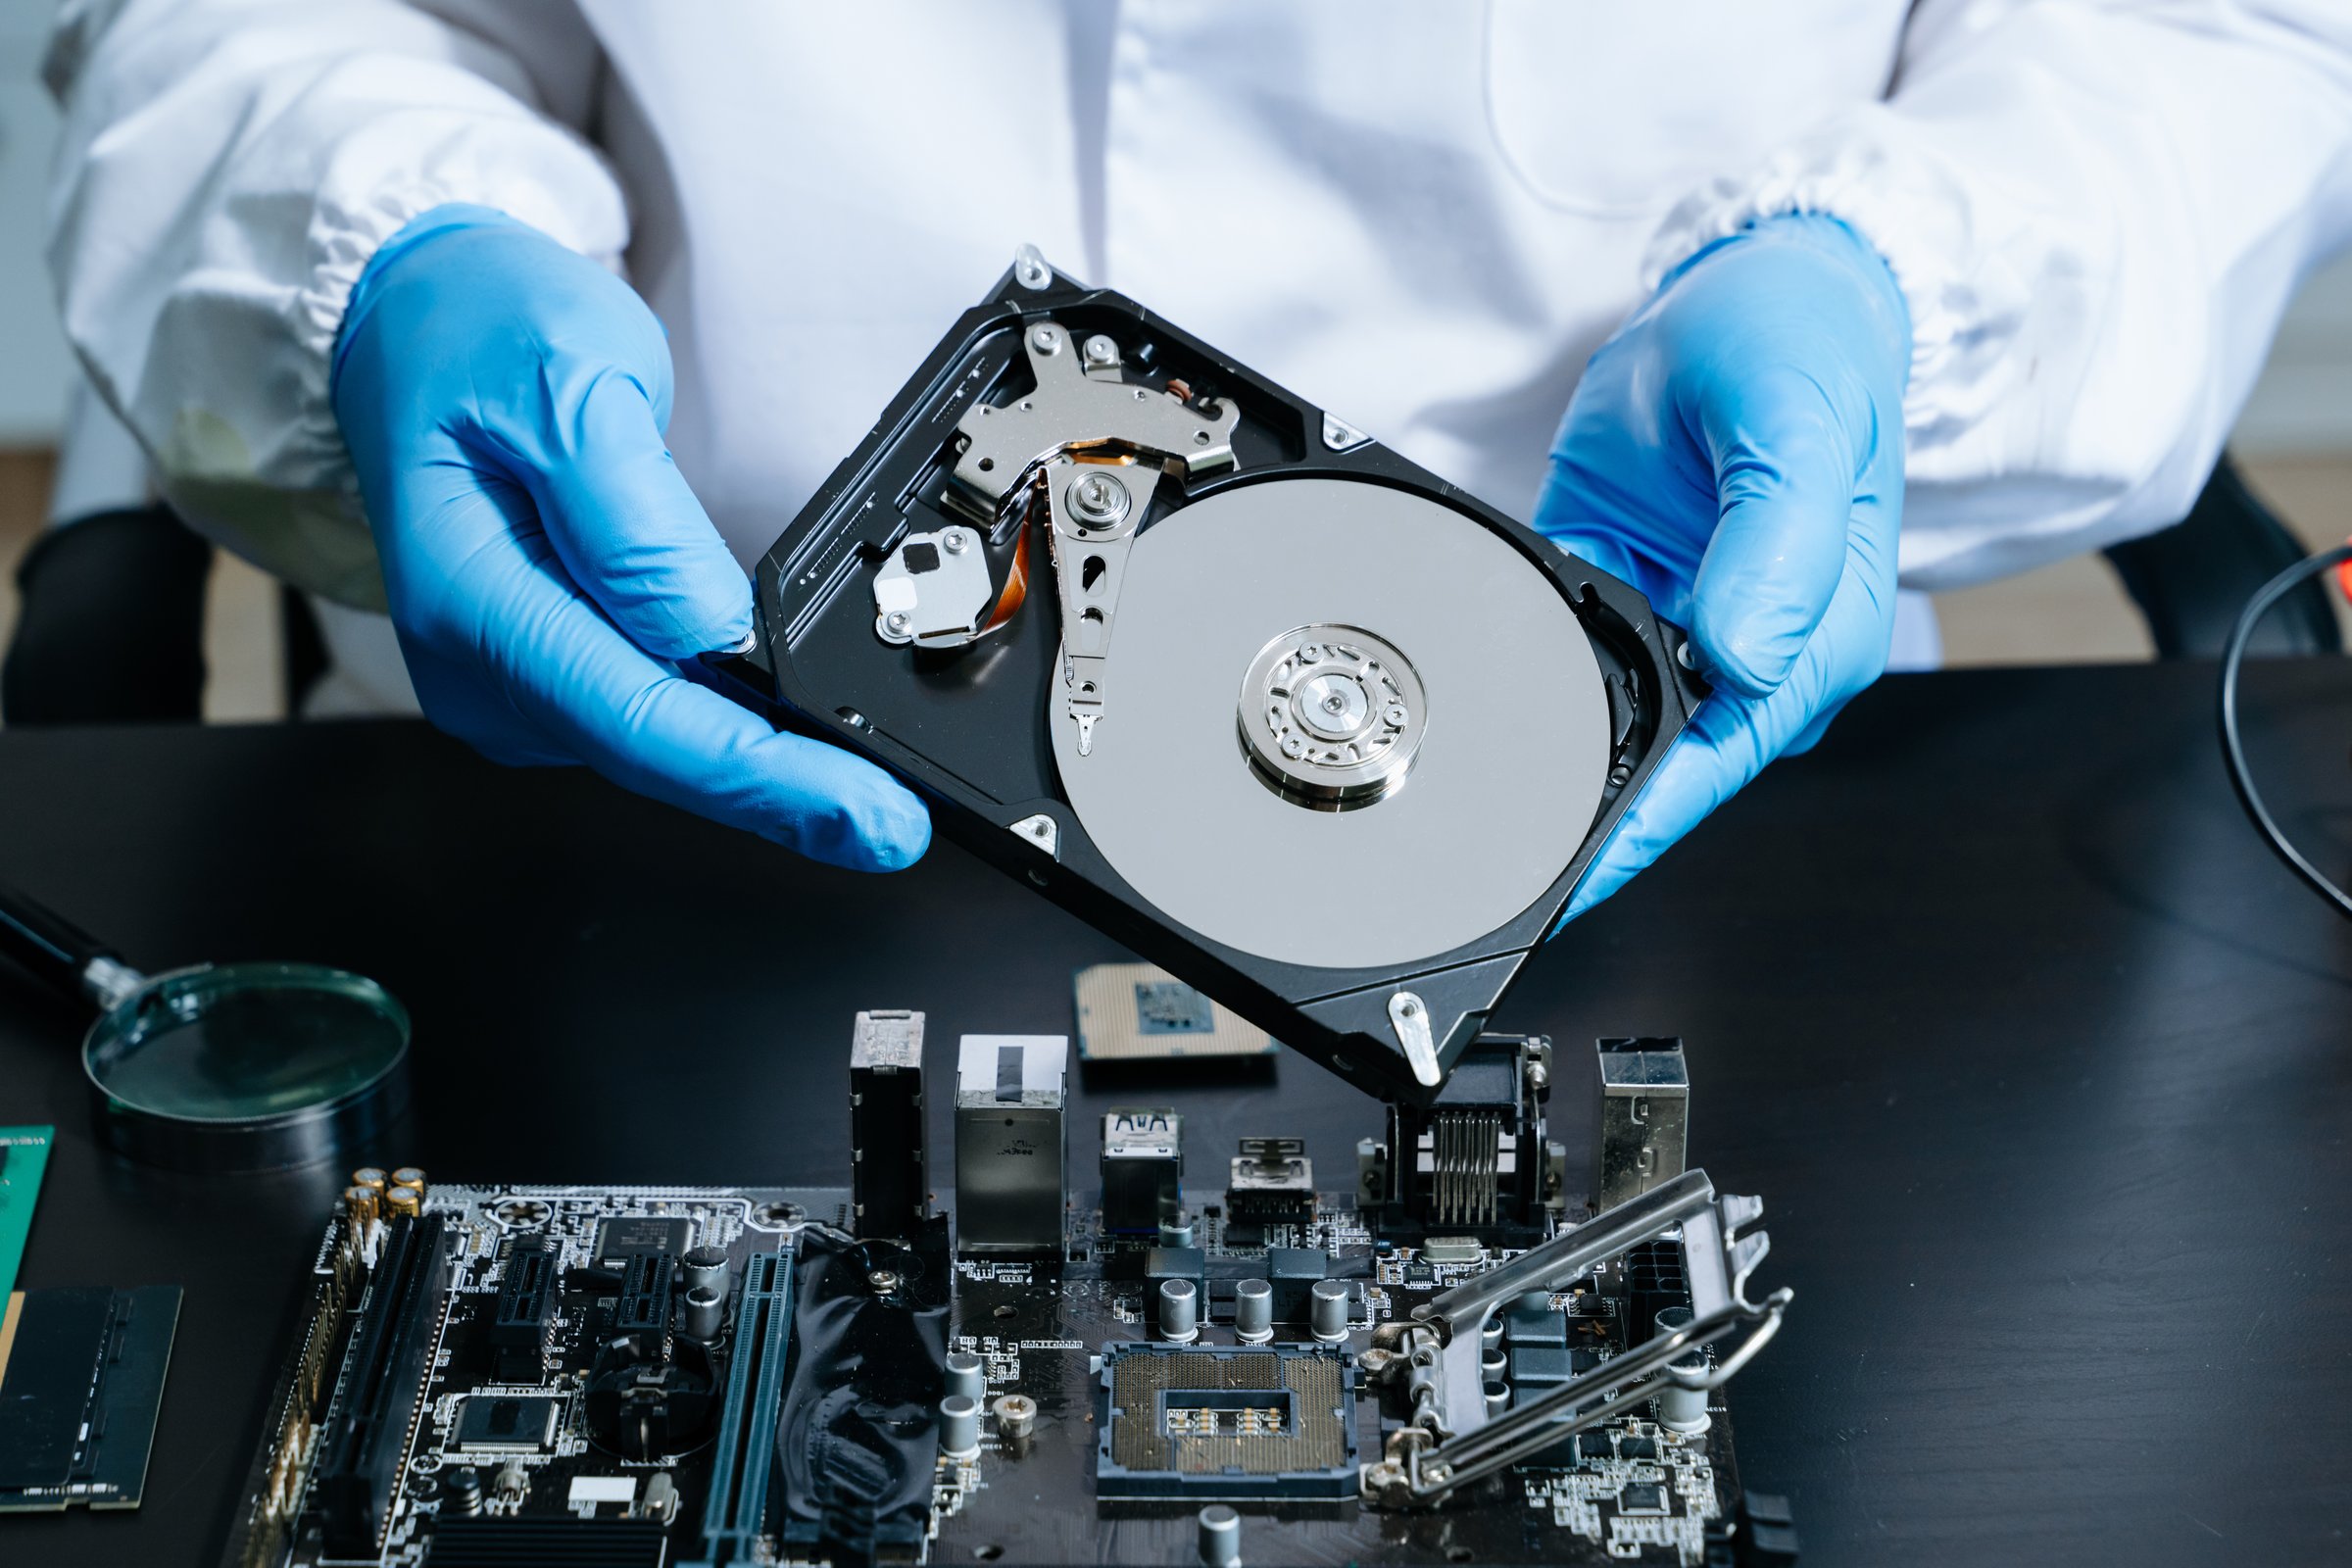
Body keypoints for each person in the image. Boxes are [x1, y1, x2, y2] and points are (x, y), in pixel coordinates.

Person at [42, 2, 2352, 909]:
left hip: (1649, 798)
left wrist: (1895, 282)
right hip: (641, 752)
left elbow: (2202, 31)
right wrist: (392, 234)